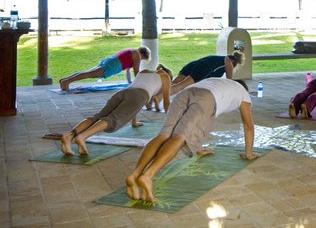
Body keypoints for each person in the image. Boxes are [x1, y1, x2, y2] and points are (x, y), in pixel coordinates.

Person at [125, 76, 259, 203]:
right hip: (206, 99)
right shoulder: (243, 93)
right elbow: (248, 125)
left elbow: (203, 118)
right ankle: (147, 176)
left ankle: (134, 174)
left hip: (184, 94)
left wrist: (199, 148)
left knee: (163, 135)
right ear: (244, 88)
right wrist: (248, 154)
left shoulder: (219, 82)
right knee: (180, 136)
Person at [59, 64, 172, 156]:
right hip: (139, 96)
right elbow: (166, 102)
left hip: (123, 92)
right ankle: (82, 137)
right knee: (112, 120)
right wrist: (171, 123)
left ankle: (69, 136)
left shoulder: (144, 71)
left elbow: (133, 104)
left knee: (97, 117)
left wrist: (134, 122)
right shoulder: (165, 77)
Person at [147, 51, 245, 111]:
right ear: (234, 62)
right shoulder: (228, 61)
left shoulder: (218, 59)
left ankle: (150, 100)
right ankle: (158, 97)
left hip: (193, 65)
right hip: (202, 69)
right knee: (180, 86)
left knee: (173, 83)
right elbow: (229, 80)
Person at [59, 46, 151, 91]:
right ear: (143, 55)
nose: (141, 60)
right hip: (113, 65)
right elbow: (136, 72)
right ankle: (66, 82)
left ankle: (65, 80)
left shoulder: (132, 51)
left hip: (110, 61)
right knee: (88, 74)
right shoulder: (137, 55)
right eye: (143, 59)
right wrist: (141, 83)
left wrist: (130, 82)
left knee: (87, 73)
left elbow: (128, 72)